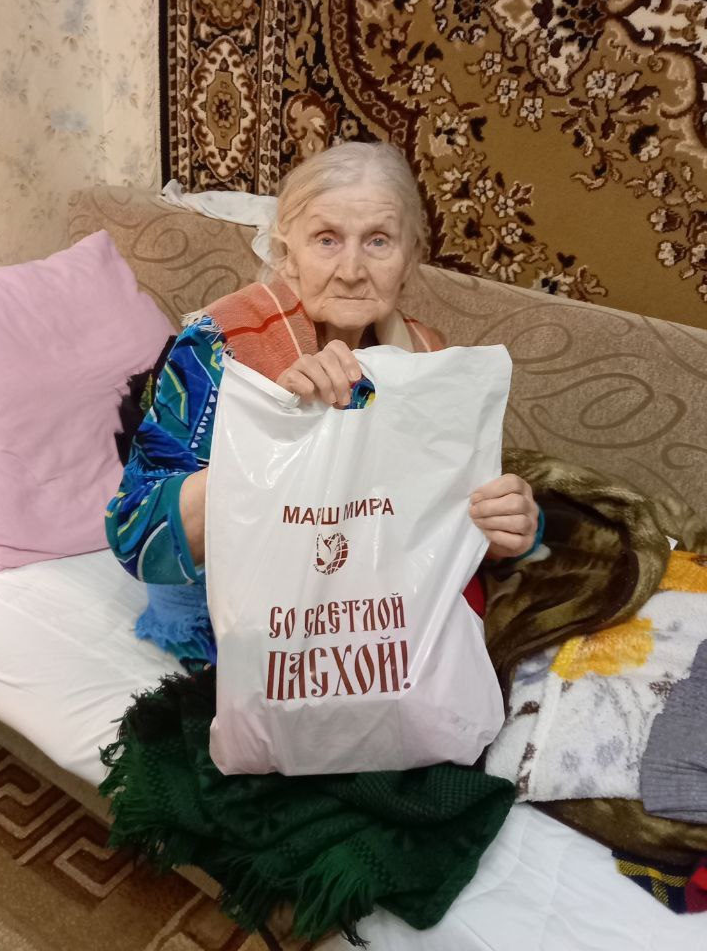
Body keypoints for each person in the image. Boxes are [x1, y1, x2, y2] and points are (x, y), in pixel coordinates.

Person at [105, 141, 540, 664]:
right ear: (286, 255)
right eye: (326, 239)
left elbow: (436, 519)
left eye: (378, 241)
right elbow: (136, 537)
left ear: (410, 258)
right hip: (227, 617)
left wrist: (503, 528)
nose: (352, 269)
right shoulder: (219, 347)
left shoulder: (428, 356)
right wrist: (278, 434)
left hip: (358, 616)